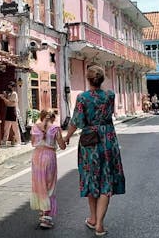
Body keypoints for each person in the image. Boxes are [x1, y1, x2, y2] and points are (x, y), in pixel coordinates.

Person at [64, 65, 125, 237]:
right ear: (102, 79)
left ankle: (93, 217)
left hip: (90, 141)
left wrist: (67, 137)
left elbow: (76, 120)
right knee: (106, 179)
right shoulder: (110, 95)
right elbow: (109, 112)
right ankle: (98, 223)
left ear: (88, 79)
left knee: (91, 177)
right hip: (108, 140)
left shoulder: (82, 98)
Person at [30, 110, 66, 229]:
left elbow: (32, 143)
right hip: (49, 157)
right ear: (53, 118)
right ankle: (46, 218)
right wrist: (65, 141)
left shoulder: (35, 127)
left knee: (39, 184)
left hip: (36, 157)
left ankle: (42, 211)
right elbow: (62, 146)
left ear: (41, 117)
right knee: (50, 186)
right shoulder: (55, 128)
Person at [0, 82, 21, 146]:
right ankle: (4, 141)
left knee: (15, 127)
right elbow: (7, 104)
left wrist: (3, 98)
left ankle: (18, 141)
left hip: (13, 110)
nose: (9, 87)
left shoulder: (14, 94)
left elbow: (11, 103)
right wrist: (4, 98)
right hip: (9, 110)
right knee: (6, 127)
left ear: (13, 87)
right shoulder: (9, 94)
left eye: (10, 86)